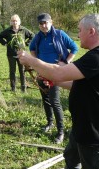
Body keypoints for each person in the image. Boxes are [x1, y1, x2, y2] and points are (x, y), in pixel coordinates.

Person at [18, 13, 99, 169]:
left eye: (80, 31)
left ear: (91, 31)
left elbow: (58, 71)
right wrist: (51, 78)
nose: (78, 35)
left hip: (93, 131)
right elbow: (75, 83)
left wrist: (31, 60)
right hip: (83, 125)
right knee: (72, 159)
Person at [29, 13, 78, 144]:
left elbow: (74, 48)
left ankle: (61, 131)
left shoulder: (60, 34)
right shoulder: (38, 37)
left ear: (51, 22)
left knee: (54, 101)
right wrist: (36, 62)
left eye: (45, 23)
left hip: (56, 73)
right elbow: (32, 48)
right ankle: (50, 123)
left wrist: (66, 62)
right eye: (41, 24)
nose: (43, 26)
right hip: (41, 73)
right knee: (45, 99)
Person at [0, 14, 34, 92]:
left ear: (19, 22)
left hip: (21, 54)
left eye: (16, 21)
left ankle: (23, 87)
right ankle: (13, 88)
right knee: (12, 71)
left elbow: (32, 36)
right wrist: (5, 43)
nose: (15, 22)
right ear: (11, 22)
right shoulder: (8, 30)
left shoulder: (23, 30)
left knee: (22, 70)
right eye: (13, 21)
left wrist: (26, 43)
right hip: (11, 54)